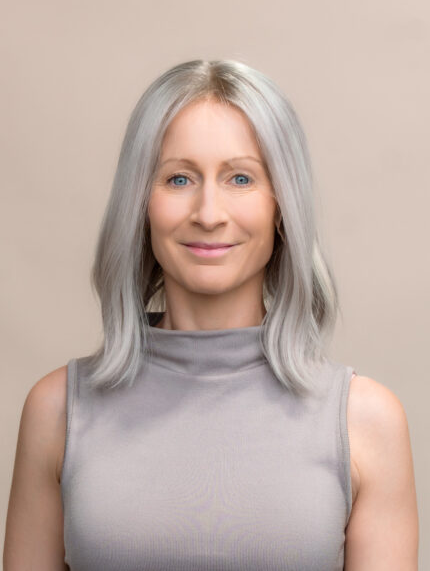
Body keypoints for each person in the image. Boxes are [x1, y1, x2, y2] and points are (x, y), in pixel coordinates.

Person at [3, 59, 418, 570]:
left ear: (281, 206)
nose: (208, 213)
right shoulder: (57, 411)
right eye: (178, 179)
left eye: (241, 178)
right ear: (141, 203)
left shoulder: (365, 421)